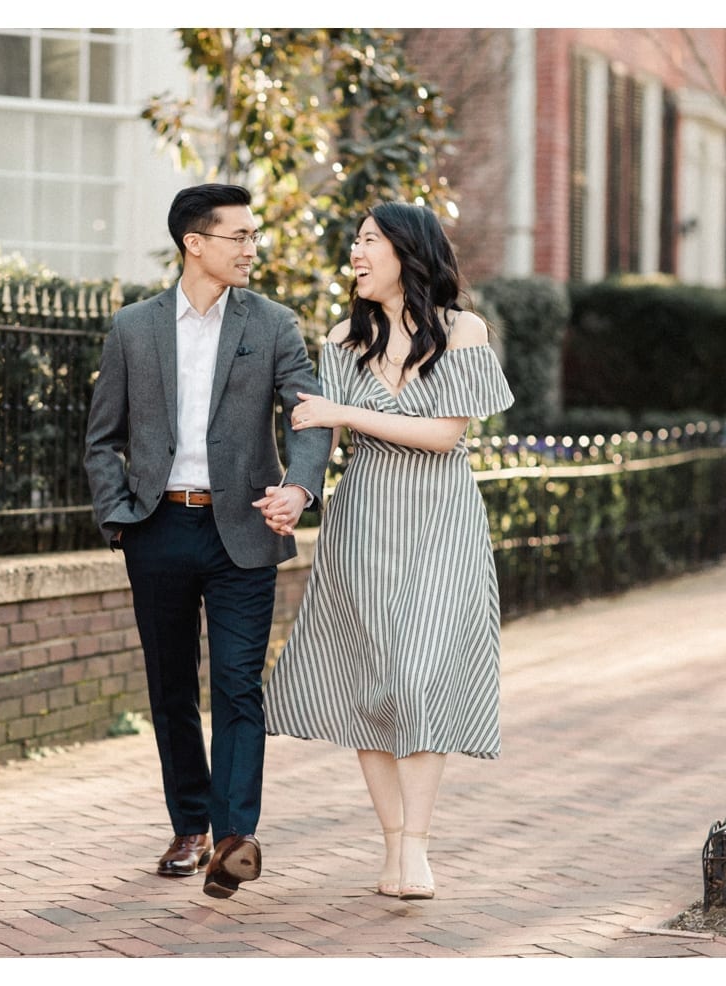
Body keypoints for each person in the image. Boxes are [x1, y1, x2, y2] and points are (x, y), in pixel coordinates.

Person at [84, 183, 331, 899]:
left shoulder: (275, 324)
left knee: (235, 686)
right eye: (240, 236)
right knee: (169, 688)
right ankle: (189, 826)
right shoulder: (134, 328)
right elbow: (102, 438)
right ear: (196, 243)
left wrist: (300, 487)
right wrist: (119, 516)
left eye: (255, 237)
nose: (253, 249)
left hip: (243, 531)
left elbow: (307, 415)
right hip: (157, 527)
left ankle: (234, 839)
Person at [264, 201, 514, 901]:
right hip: (365, 518)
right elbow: (317, 439)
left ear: (407, 250)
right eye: (354, 241)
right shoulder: (344, 337)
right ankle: (395, 848)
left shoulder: (465, 331)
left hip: (440, 518)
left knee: (418, 676)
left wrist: (343, 410)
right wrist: (296, 490)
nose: (355, 252)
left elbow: (442, 436)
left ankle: (421, 845)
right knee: (373, 682)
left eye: (369, 240)